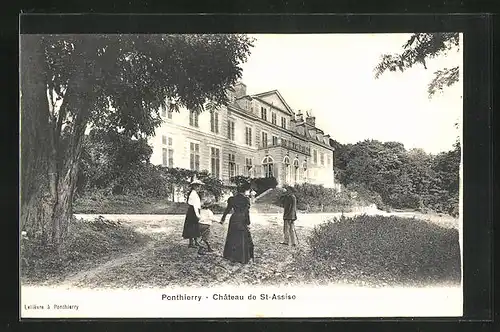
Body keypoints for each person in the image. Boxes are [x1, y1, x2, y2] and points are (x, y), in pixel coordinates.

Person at [220, 181, 254, 264]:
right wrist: (248, 222)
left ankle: (231, 255)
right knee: (242, 237)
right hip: (242, 218)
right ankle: (241, 257)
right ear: (245, 190)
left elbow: (227, 210)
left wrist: (223, 219)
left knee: (233, 236)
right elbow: (247, 212)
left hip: (234, 218)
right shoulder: (246, 199)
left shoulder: (232, 199)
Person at [182, 179, 203, 248]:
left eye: (199, 186)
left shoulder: (195, 194)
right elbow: (195, 206)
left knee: (194, 226)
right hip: (193, 211)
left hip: (193, 211)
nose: (199, 188)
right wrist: (197, 215)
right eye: (198, 186)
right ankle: (192, 243)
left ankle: (195, 242)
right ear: (194, 187)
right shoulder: (193, 194)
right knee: (192, 226)